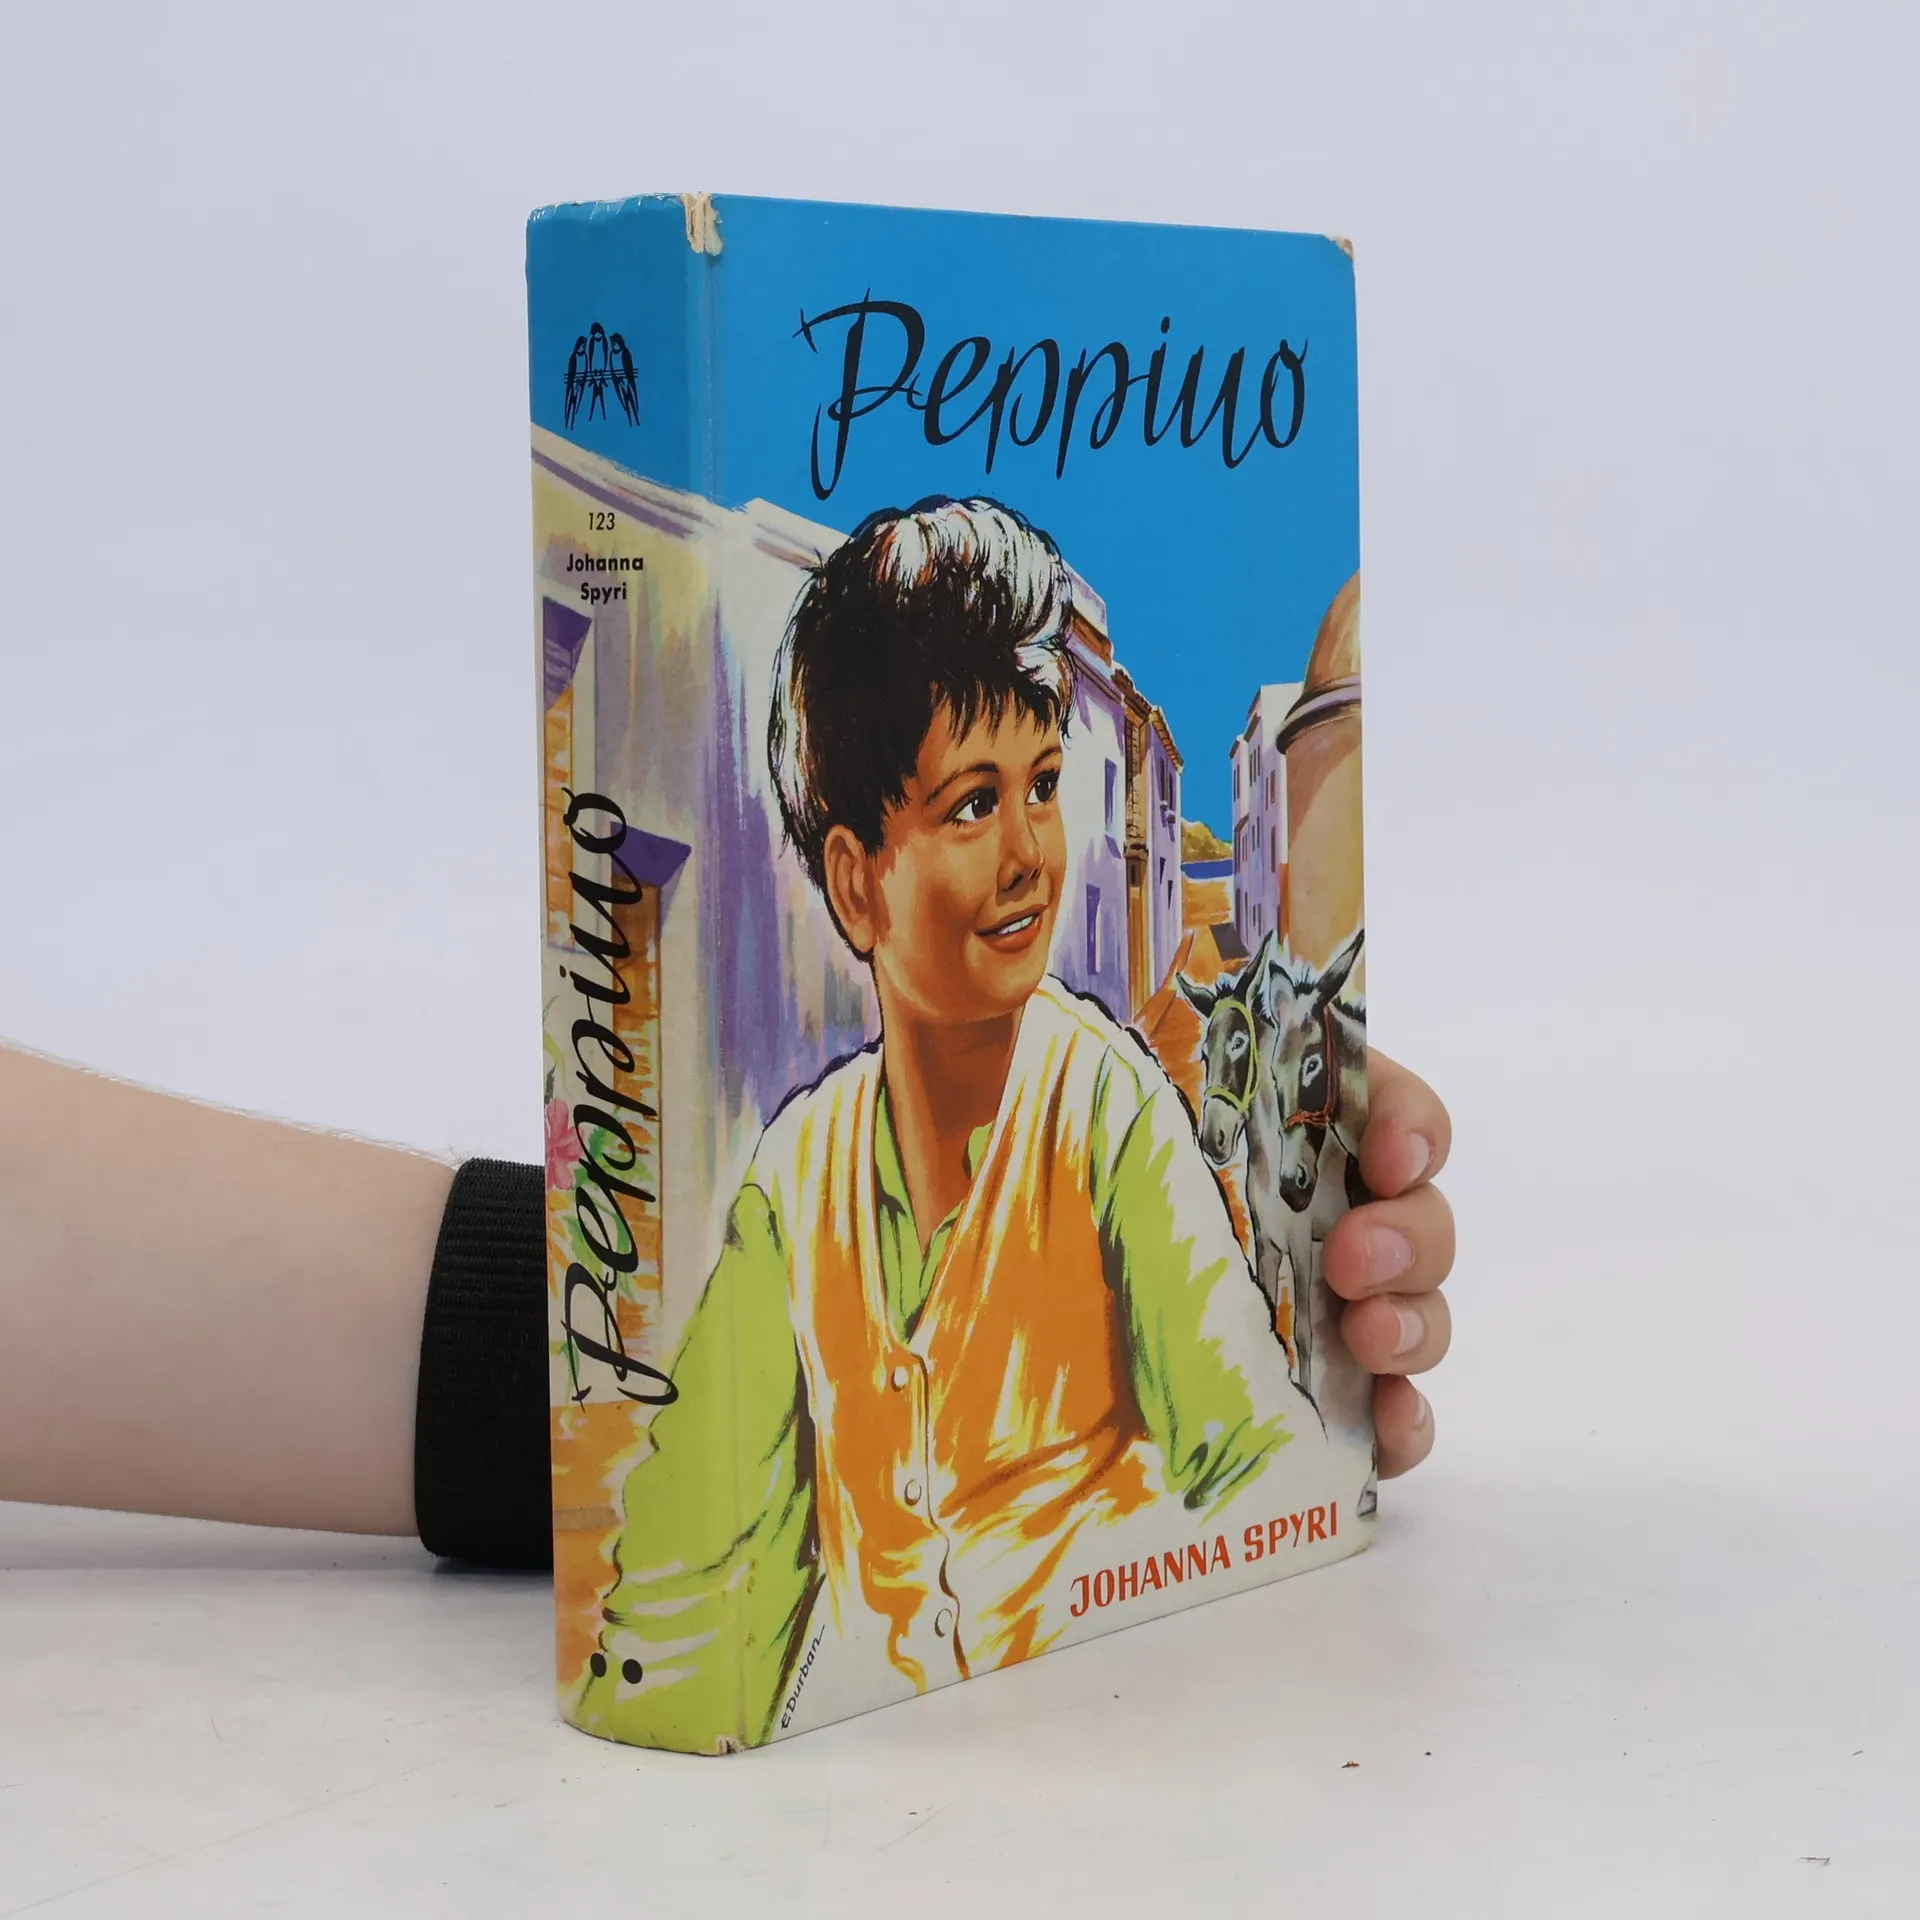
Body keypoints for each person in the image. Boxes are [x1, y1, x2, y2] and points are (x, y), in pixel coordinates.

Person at [566, 499, 1452, 1748]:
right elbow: (688, 1591)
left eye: (1042, 785)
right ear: (858, 882)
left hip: (1117, 1727)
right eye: (972, 806)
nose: (1033, 851)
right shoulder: (794, 1184)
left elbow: (1259, 1461)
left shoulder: (1104, 1105)